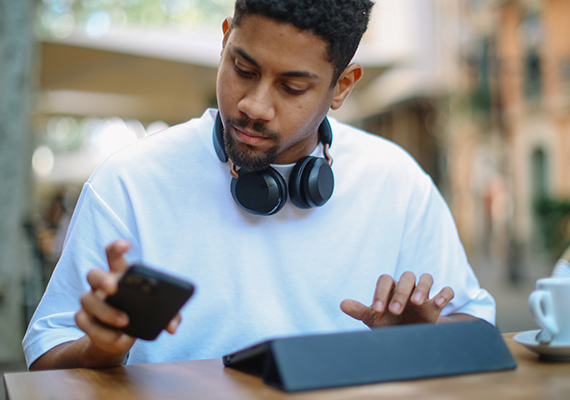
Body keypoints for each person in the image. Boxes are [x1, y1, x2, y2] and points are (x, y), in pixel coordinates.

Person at [24, 0, 495, 371]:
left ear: (343, 86)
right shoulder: (127, 181)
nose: (254, 105)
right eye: (243, 70)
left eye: (292, 87)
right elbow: (46, 358)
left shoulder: (397, 179)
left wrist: (421, 339)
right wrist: (99, 350)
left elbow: (478, 326)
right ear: (226, 39)